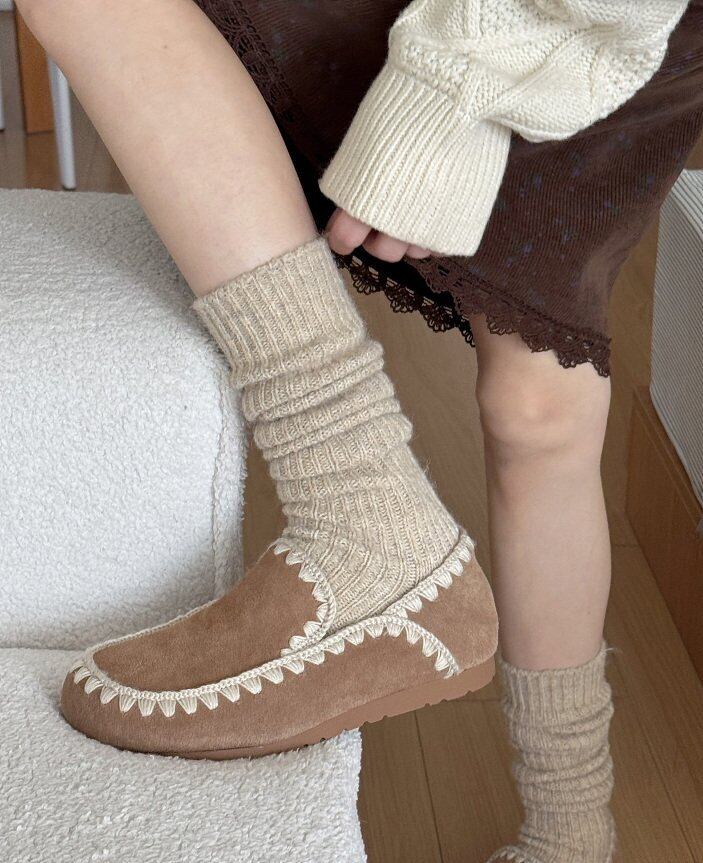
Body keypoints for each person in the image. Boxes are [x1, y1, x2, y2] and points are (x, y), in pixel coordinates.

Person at [17, 1, 703, 861]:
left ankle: (568, 829)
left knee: (538, 410)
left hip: (605, 23)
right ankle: (361, 504)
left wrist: (452, 91)